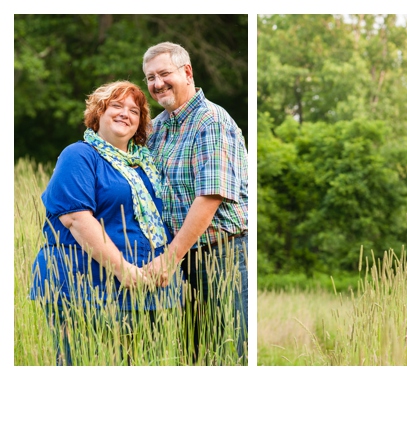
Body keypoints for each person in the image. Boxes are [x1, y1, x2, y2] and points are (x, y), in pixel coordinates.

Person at [30, 81, 182, 365]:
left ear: (140, 123)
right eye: (116, 106)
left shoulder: (146, 165)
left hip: (145, 290)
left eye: (134, 111)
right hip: (84, 287)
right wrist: (123, 270)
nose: (125, 113)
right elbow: (76, 219)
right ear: (98, 112)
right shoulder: (80, 155)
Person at [141, 41, 248, 363]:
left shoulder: (211, 121)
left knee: (227, 352)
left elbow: (210, 197)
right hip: (179, 258)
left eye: (164, 74)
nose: (157, 83)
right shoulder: (156, 128)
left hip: (222, 255)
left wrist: (170, 259)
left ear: (186, 72)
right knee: (193, 356)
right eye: (149, 78)